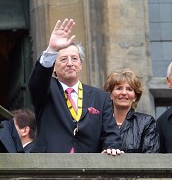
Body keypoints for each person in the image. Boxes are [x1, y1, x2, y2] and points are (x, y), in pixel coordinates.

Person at [28, 18, 123, 155]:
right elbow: (37, 81)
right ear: (53, 67)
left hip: (89, 166)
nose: (70, 63)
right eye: (63, 59)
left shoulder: (100, 97)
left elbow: (110, 132)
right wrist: (52, 49)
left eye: (74, 58)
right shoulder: (46, 89)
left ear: (81, 65)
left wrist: (111, 147)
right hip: (52, 165)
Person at [104, 68, 159, 153]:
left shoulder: (146, 122)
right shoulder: (100, 123)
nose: (124, 93)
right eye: (119, 88)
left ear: (135, 97)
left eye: (129, 89)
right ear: (110, 94)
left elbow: (151, 158)